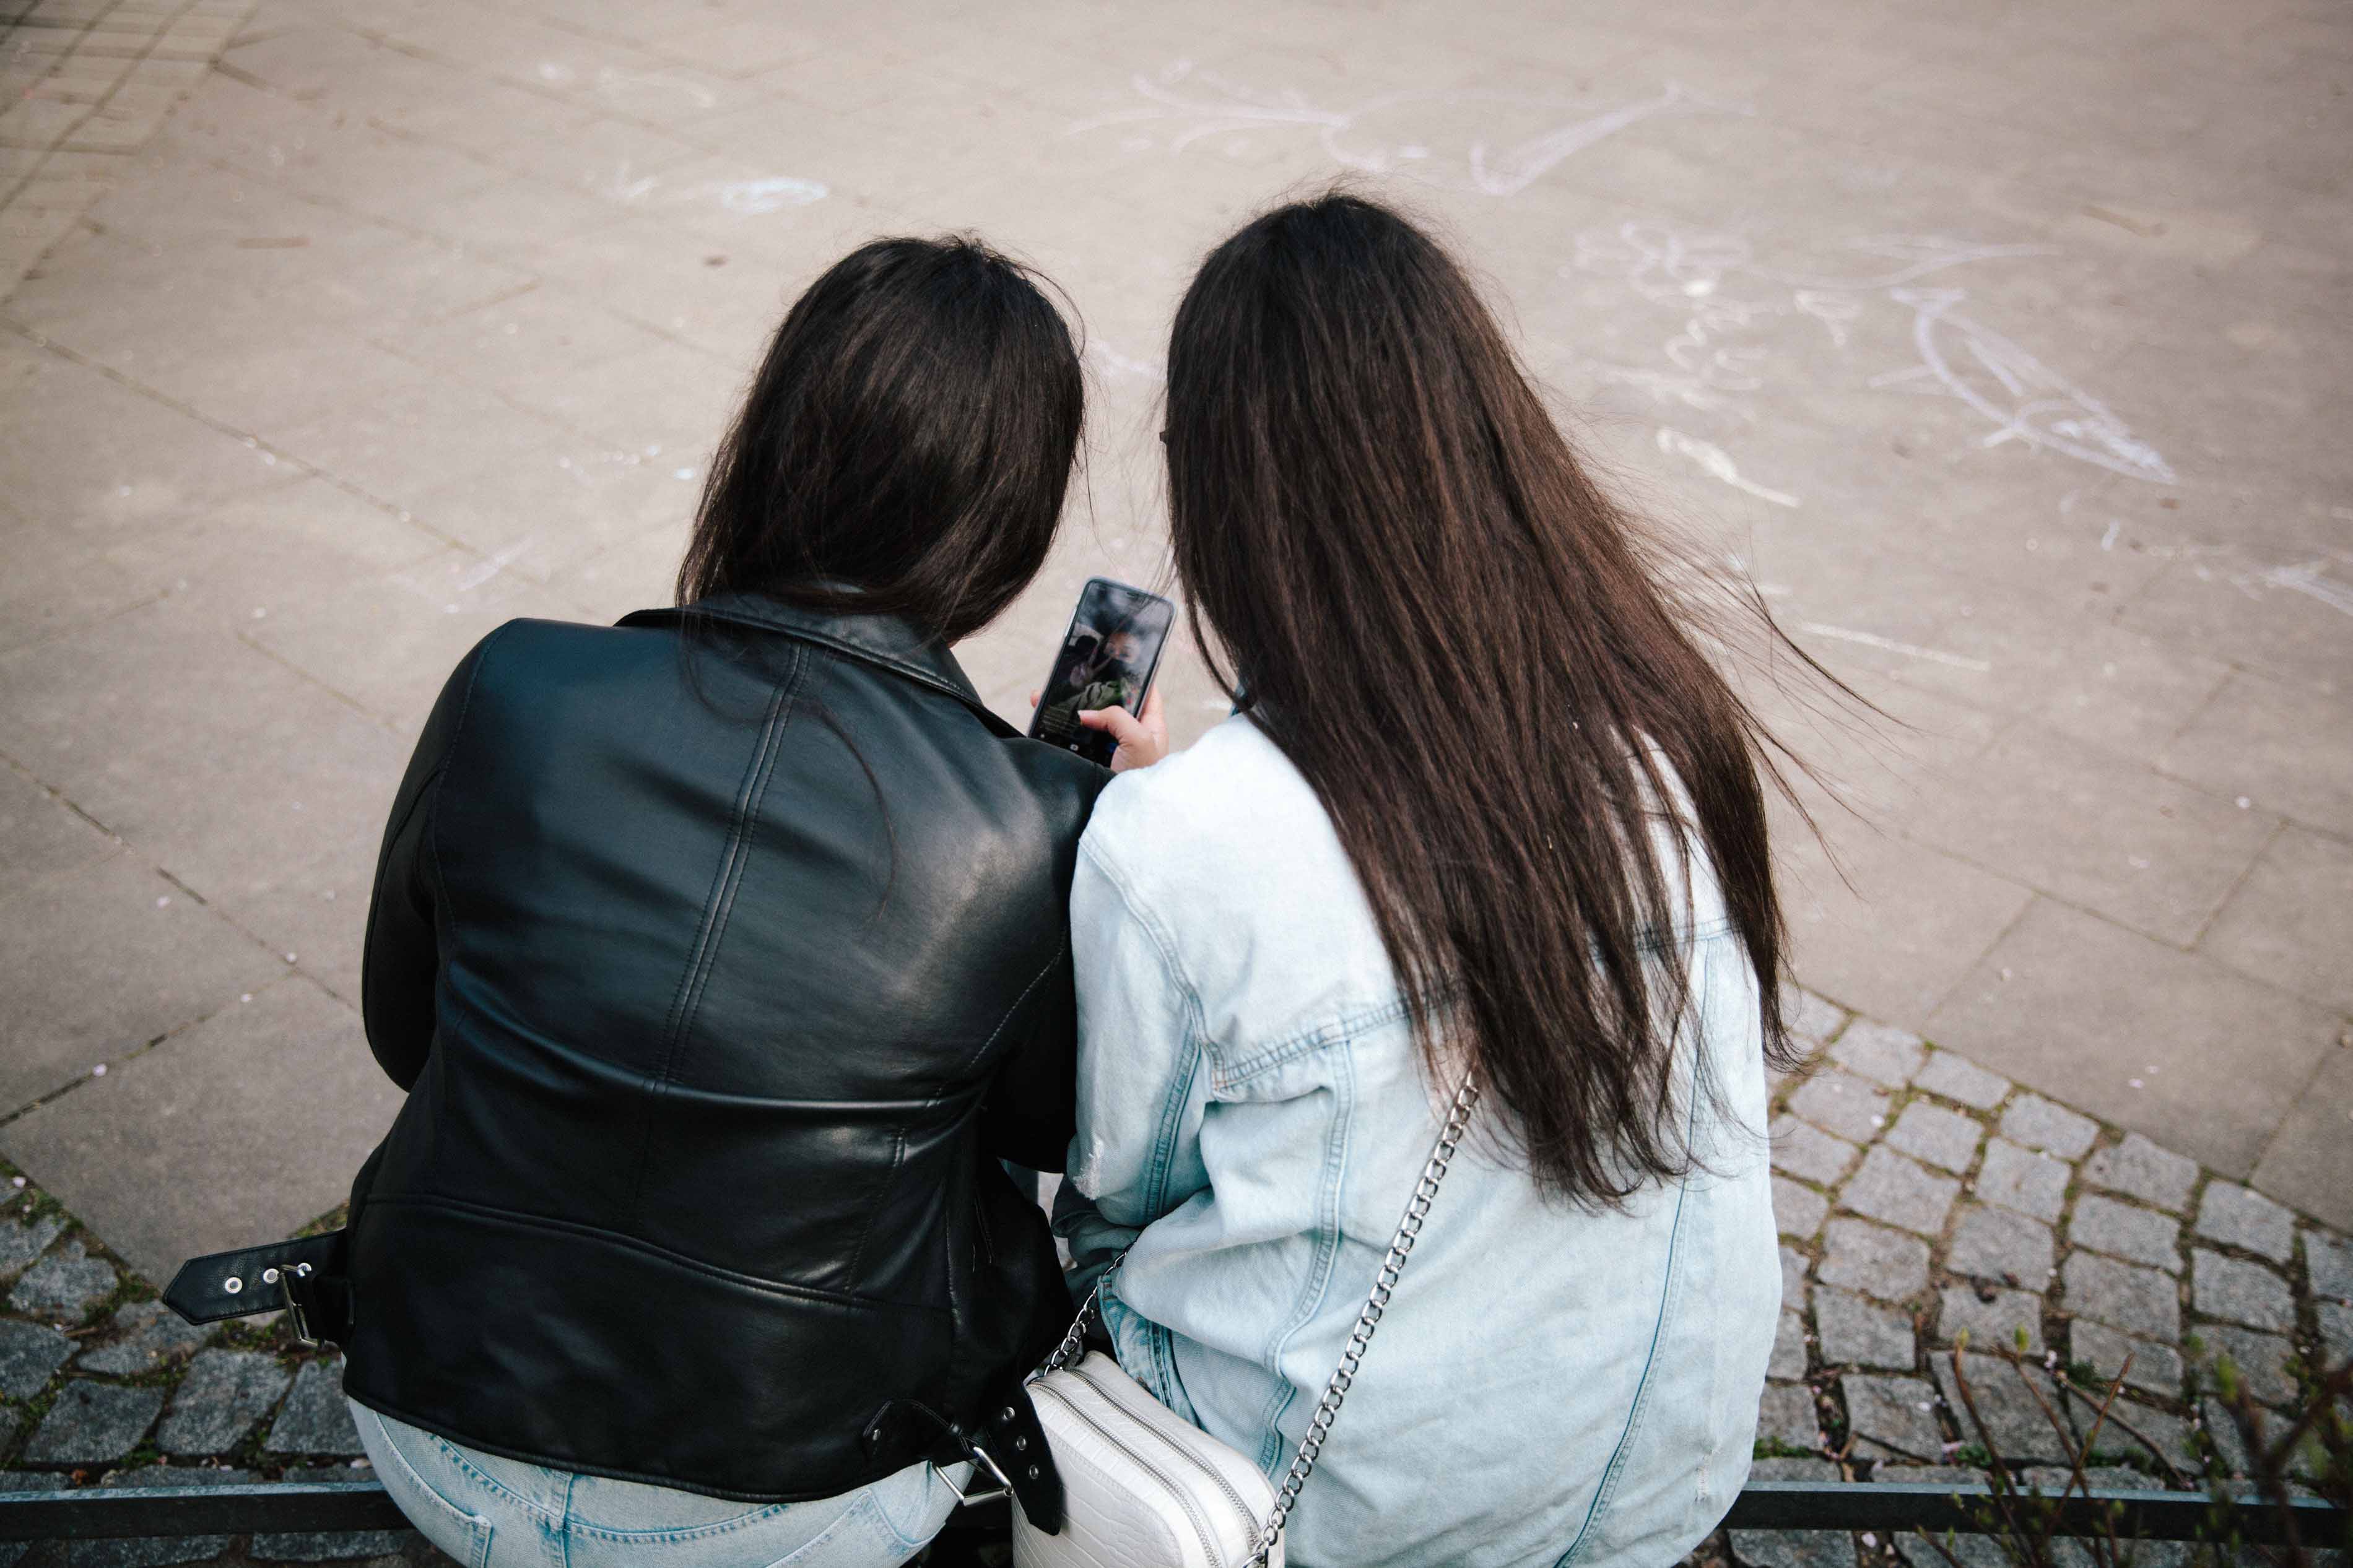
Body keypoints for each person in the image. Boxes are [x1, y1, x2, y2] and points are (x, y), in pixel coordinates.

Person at [1058, 193, 1799, 1568]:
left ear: (1233, 495)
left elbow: (1114, 1206)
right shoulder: (1668, 725)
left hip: (1355, 1519)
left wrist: (1151, 833)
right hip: (1662, 1480)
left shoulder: (1182, 844)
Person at [341, 236, 1103, 1568]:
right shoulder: (1033, 819)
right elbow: (1045, 1132)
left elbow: (411, 1034)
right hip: (802, 1491)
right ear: (1009, 514)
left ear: (772, 441)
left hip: (437, 1422)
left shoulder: (514, 685)